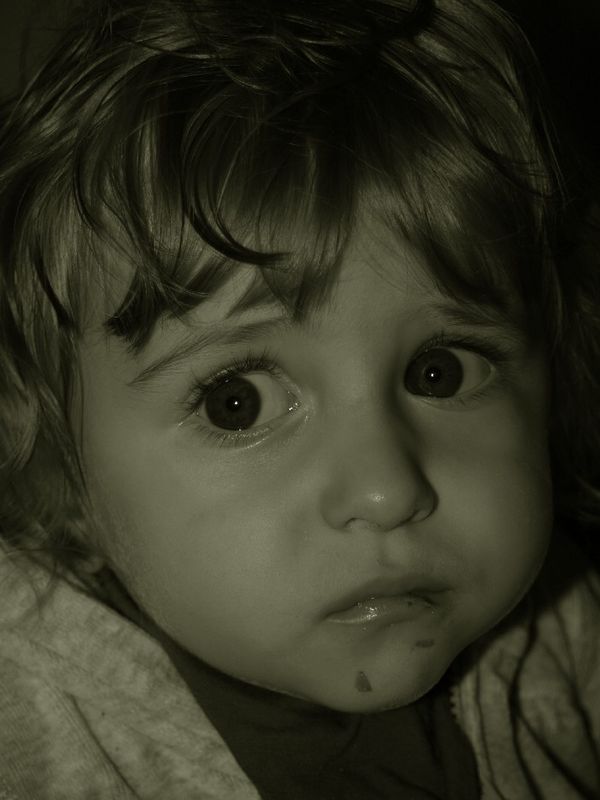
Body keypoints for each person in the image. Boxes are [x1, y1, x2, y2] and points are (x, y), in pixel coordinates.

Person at [0, 0, 599, 797]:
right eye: (237, 403)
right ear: (62, 472)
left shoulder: (568, 628)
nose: (386, 492)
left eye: (441, 373)